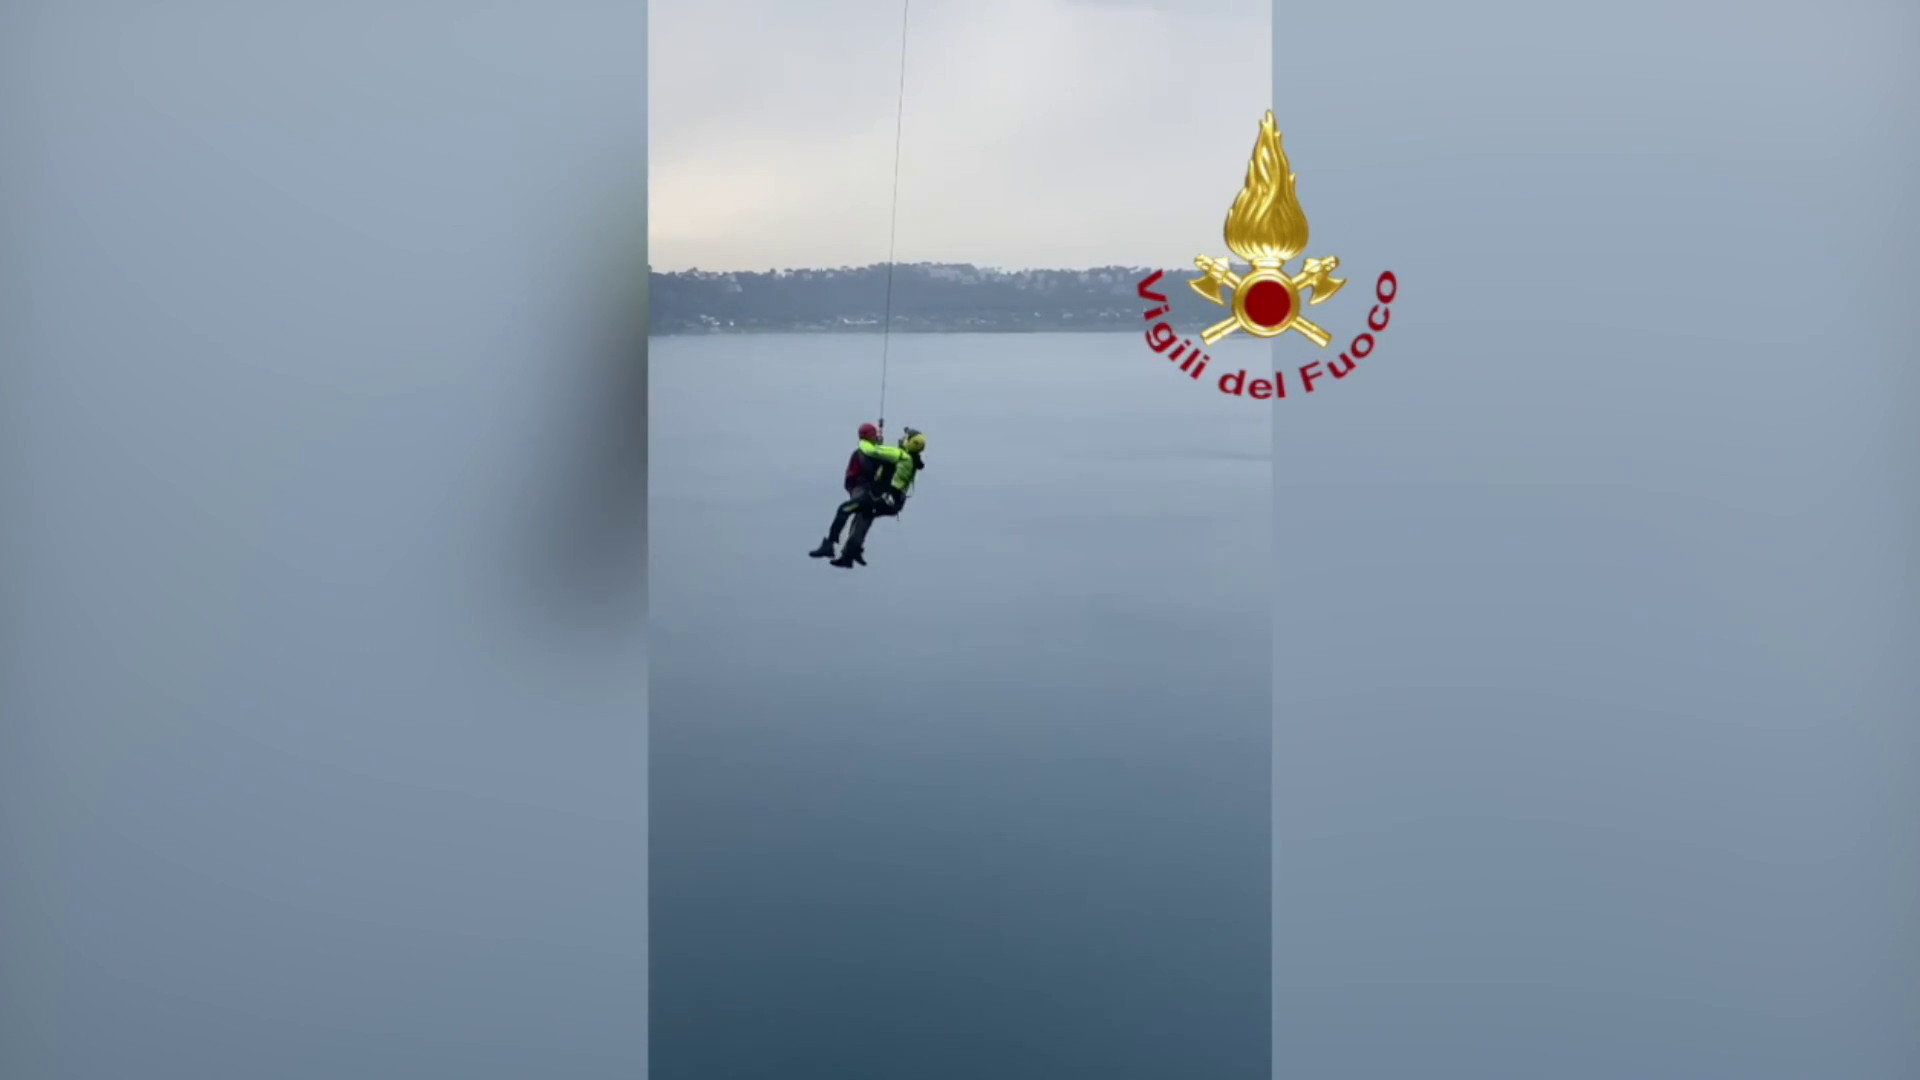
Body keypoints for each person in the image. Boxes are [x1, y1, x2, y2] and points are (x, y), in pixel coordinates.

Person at [808, 427, 927, 568]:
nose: (901, 439)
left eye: (905, 438)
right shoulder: (912, 460)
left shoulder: (900, 455)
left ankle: (829, 546)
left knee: (844, 509)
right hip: (893, 504)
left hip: (882, 501)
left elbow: (872, 451)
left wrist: (864, 441)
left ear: (909, 443)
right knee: (865, 515)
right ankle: (850, 554)